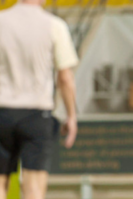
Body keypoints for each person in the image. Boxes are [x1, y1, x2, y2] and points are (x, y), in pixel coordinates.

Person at [0, 0, 79, 198]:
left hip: (2, 112)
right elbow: (65, 78)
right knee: (33, 188)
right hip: (37, 114)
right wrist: (71, 115)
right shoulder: (54, 25)